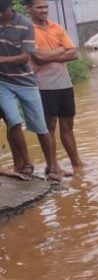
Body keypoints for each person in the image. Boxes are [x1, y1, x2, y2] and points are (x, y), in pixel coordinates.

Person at [0, 0, 63, 182]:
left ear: (10, 8)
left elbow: (25, 57)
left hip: (26, 82)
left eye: (1, 12)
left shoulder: (25, 25)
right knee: (13, 121)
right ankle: (27, 164)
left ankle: (51, 166)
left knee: (40, 126)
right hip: (3, 82)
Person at [25, 0, 84, 171]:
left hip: (64, 83)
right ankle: (54, 166)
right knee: (48, 126)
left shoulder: (57, 27)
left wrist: (50, 55)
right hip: (42, 85)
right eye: (39, 7)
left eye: (46, 7)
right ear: (30, 9)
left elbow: (73, 53)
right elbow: (38, 58)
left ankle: (76, 162)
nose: (44, 11)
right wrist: (60, 50)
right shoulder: (28, 31)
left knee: (68, 126)